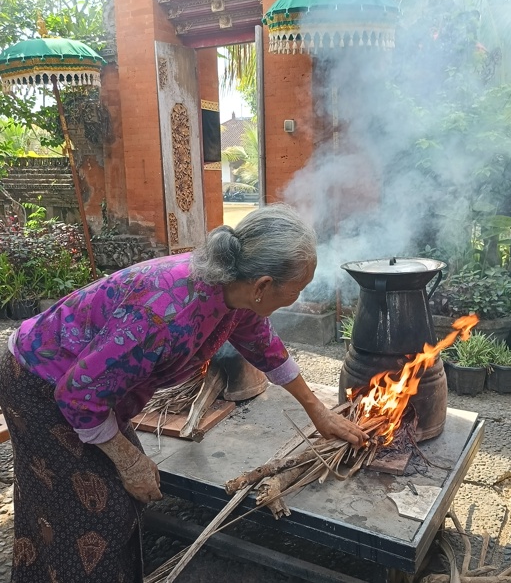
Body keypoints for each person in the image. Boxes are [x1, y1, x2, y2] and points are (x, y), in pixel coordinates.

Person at [0, 203, 368, 583]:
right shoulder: (164, 316)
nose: (299, 296)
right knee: (100, 514)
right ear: (262, 286)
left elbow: (263, 345)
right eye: (298, 289)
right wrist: (128, 462)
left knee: (81, 500)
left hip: (86, 390)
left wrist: (318, 412)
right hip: (39, 386)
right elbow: (78, 396)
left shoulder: (232, 289)